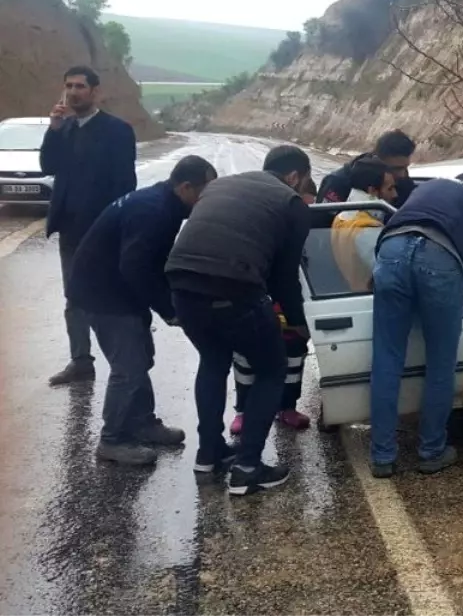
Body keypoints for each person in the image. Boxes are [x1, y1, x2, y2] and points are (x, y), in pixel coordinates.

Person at [166, 145, 313, 496]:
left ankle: (209, 454)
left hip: (181, 284)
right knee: (272, 369)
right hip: (235, 287)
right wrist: (297, 322)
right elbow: (284, 278)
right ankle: (248, 467)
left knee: (213, 361)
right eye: (304, 180)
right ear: (295, 176)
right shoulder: (291, 203)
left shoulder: (220, 185)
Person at [66, 156, 218, 465]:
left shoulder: (166, 204)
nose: (207, 200)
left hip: (120, 289)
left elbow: (152, 262)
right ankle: (111, 441)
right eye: (205, 192)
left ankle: (142, 423)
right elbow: (135, 267)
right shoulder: (154, 210)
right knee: (129, 368)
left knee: (141, 357)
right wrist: (168, 309)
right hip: (104, 293)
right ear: (186, 187)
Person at [369, 172, 463, 479]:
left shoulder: (426, 188)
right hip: (439, 259)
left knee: (386, 359)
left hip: (390, 250)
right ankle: (431, 451)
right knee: (440, 365)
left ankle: (382, 456)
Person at [40, 65, 138, 386]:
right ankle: (80, 360)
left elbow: (125, 183)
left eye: (80, 86)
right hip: (69, 230)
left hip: (101, 230)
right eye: (69, 85)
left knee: (106, 296)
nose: (73, 91)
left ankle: (125, 363)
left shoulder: (117, 130)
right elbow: (48, 165)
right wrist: (52, 130)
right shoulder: (64, 129)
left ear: (95, 92)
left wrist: (116, 226)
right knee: (74, 296)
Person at [229, 181, 319, 435]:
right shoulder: (263, 228)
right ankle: (243, 412)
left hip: (291, 311)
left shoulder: (309, 233)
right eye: (304, 205)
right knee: (245, 361)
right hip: (256, 304)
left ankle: (287, 408)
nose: (306, 213)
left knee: (293, 360)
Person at [331, 156, 397, 292]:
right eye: (390, 188)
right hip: (367, 299)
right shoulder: (367, 229)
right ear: (372, 190)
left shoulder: (341, 218)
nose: (395, 194)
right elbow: (392, 276)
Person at [317, 129, 416, 206]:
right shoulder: (338, 183)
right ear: (377, 159)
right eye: (396, 169)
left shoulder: (403, 181)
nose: (402, 174)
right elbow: (320, 226)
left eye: (405, 167)